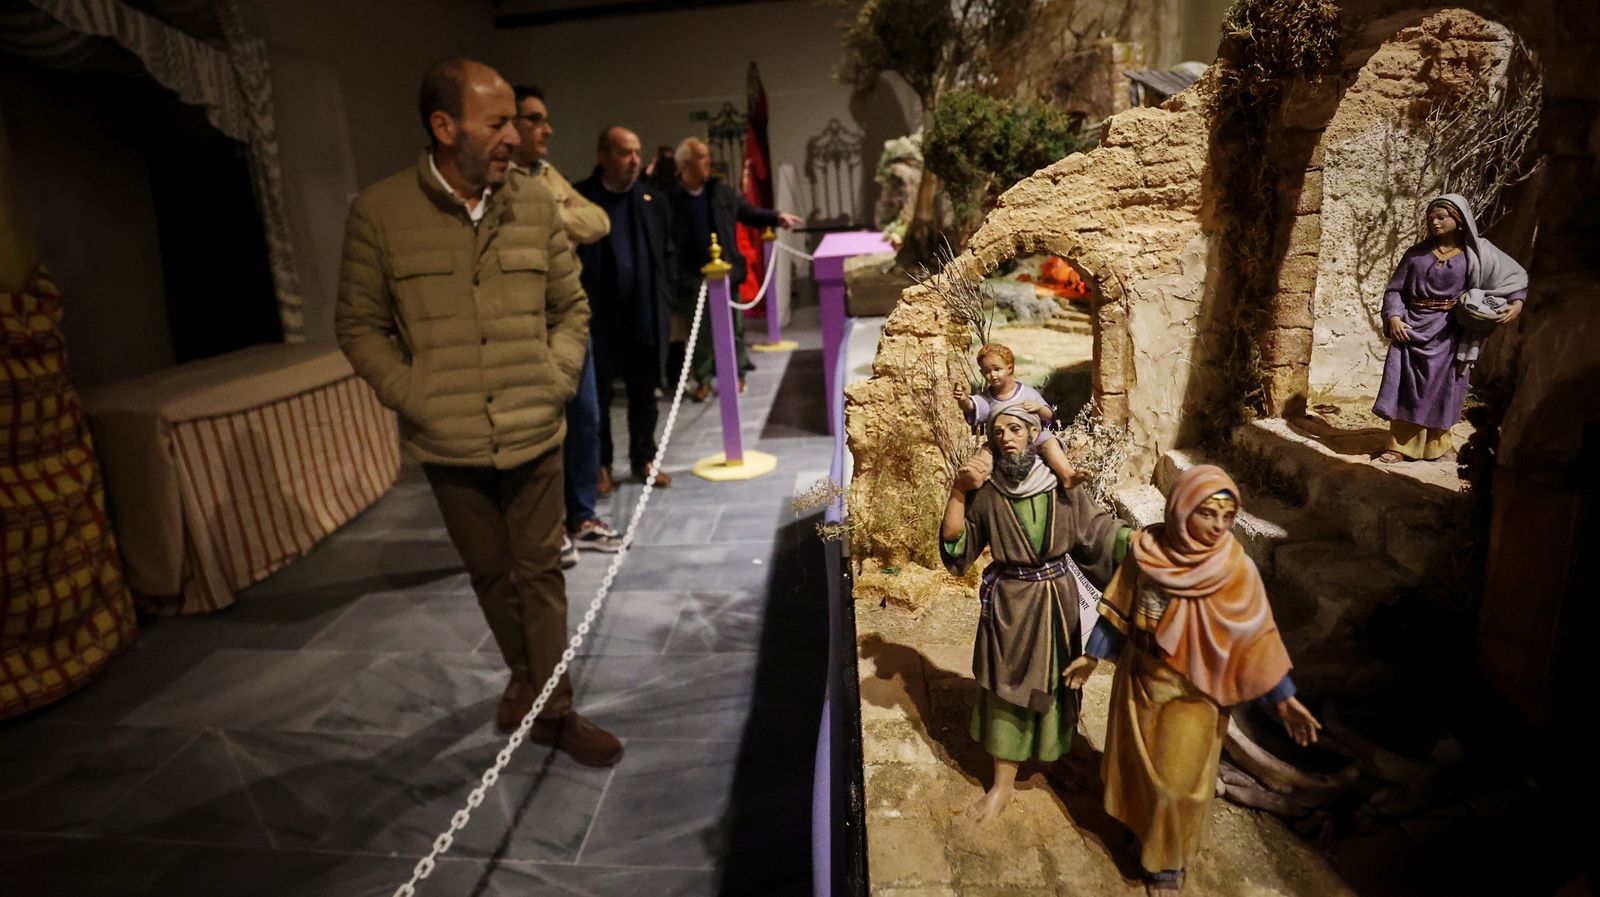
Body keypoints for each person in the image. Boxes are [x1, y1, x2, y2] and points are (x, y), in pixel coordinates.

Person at [335, 58, 622, 767]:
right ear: (444, 126)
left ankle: (555, 710)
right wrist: (415, 395)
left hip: (534, 427)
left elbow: (571, 307)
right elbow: (359, 325)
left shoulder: (535, 203)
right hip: (449, 442)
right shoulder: (380, 213)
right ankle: (526, 676)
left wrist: (555, 379)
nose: (513, 138)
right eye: (496, 125)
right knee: (491, 574)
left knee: (541, 574)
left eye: (513, 124)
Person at [1063, 464, 1321, 894]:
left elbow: (1256, 640)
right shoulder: (1146, 551)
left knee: (1177, 785)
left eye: (1227, 516)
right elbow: (1119, 609)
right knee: (1135, 770)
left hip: (1195, 696)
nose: (1219, 525)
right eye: (1207, 513)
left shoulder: (1234, 571)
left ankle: (1166, 865)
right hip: (1141, 682)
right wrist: (1092, 657)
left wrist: (1284, 698)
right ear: (1181, 510)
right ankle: (1143, 831)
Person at [940, 399, 1132, 825]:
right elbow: (956, 545)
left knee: (1055, 684)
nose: (1007, 439)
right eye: (998, 432)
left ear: (1033, 433)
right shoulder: (988, 493)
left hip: (1057, 603)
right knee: (1008, 689)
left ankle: (1052, 756)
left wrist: (1134, 543)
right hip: (1011, 605)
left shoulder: (1061, 488)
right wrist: (958, 490)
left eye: (1016, 429)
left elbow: (1098, 532)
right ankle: (1003, 782)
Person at [509, 84, 622, 562]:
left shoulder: (545, 174)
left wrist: (549, 213)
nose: (547, 129)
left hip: (569, 316)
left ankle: (583, 517)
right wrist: (559, 215)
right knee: (543, 427)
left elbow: (598, 221)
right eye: (534, 119)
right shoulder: (504, 180)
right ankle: (548, 526)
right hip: (528, 321)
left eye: (545, 119)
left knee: (586, 420)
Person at [1372, 193, 1528, 463]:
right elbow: (1395, 290)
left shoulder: (1477, 253)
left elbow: (1513, 277)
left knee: (1445, 387)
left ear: (1459, 219)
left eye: (1441, 217)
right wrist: (1394, 317)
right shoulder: (1416, 254)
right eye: (1431, 218)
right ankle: (1400, 446)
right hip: (1411, 329)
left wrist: (1517, 302)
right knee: (1406, 387)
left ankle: (1438, 446)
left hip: (1451, 331)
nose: (1435, 222)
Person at [573, 127, 676, 489]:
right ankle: (599, 464)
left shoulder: (653, 200)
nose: (634, 161)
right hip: (596, 317)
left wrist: (665, 299)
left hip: (643, 314)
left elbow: (667, 253)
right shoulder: (578, 199)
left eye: (637, 152)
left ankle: (644, 458)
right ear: (602, 156)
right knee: (596, 396)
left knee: (644, 393)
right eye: (624, 153)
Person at [666, 137, 802, 401]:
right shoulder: (670, 200)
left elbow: (747, 212)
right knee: (700, 334)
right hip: (693, 278)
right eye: (701, 157)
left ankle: (736, 374)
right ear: (684, 165)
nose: (708, 162)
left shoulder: (720, 191)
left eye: (707, 156)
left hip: (727, 275)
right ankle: (703, 378)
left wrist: (776, 217)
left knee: (734, 330)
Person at [954, 342, 1087, 490]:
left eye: (997, 369)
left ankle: (1067, 475)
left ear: (1010, 368)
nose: (992, 375)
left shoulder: (1027, 393)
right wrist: (963, 400)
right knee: (986, 451)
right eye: (987, 371)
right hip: (1000, 441)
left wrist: (1039, 408)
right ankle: (978, 476)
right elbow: (972, 406)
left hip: (1031, 438)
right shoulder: (987, 398)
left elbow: (1048, 415)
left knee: (1049, 442)